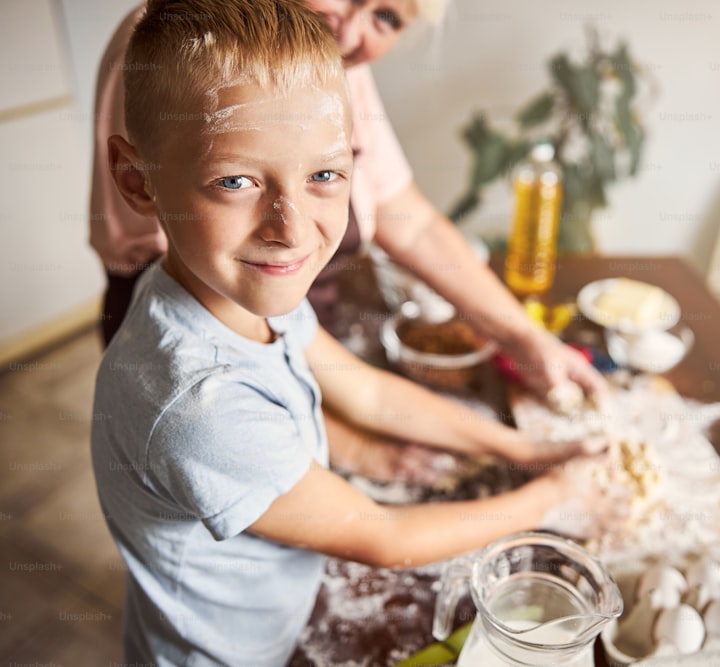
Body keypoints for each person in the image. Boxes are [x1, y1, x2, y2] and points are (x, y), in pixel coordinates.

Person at [91, 0, 623, 663]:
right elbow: (380, 534)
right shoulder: (197, 404)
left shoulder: (238, 292)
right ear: (136, 180)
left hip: (275, 617)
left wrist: (522, 453)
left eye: (323, 175)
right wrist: (554, 499)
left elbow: (366, 392)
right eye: (234, 180)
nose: (290, 226)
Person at [89, 0, 607, 408]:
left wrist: (522, 336)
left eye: (386, 17)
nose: (353, 34)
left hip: (298, 329)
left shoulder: (330, 58)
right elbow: (214, 298)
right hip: (223, 339)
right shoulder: (174, 44)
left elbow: (405, 214)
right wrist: (359, 443)